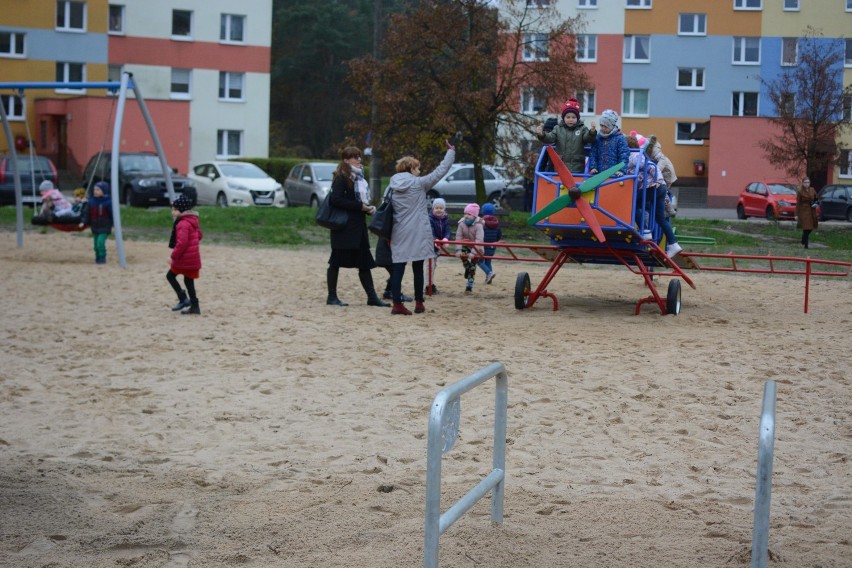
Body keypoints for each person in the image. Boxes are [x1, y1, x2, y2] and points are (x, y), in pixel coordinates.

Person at [387, 140, 456, 315]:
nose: (419, 171)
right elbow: (440, 171)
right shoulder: (419, 184)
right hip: (417, 231)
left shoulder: (391, 186)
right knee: (418, 267)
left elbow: (386, 209)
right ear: (411, 169)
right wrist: (450, 152)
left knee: (398, 268)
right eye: (417, 168)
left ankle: (397, 304)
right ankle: (419, 302)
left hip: (398, 231)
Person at [326, 146, 389, 308]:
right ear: (346, 160)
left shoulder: (359, 178)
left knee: (364, 262)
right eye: (354, 157)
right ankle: (332, 296)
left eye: (359, 157)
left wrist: (367, 208)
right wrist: (359, 206)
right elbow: (336, 200)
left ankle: (372, 297)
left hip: (358, 227)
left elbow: (357, 202)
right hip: (343, 228)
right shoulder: (341, 177)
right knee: (336, 261)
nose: (359, 160)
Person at [625, 135, 682, 257]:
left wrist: (657, 179)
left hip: (651, 187)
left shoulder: (633, 156)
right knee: (660, 218)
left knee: (633, 205)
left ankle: (645, 230)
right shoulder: (641, 154)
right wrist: (659, 181)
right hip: (660, 188)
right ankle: (673, 244)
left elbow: (651, 167)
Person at [534, 97, 596, 173]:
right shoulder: (558, 128)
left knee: (576, 184)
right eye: (568, 117)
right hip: (560, 168)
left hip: (577, 168)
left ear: (577, 118)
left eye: (573, 117)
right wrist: (542, 134)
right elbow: (550, 138)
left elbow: (587, 138)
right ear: (563, 118)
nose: (571, 119)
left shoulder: (582, 128)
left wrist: (592, 132)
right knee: (559, 184)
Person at [166, 194, 203, 314]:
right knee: (189, 281)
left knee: (170, 276)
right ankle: (195, 306)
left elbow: (181, 243)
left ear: (181, 210)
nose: (173, 211)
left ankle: (183, 298)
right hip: (193, 259)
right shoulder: (193, 221)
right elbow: (199, 236)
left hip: (184, 259)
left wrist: (173, 256)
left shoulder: (182, 224)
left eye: (175, 209)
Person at [79, 181, 114, 264]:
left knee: (100, 243)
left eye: (98, 190)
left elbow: (113, 214)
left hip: (105, 226)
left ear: (104, 191)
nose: (95, 191)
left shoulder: (108, 202)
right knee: (95, 245)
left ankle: (102, 257)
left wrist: (114, 224)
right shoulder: (91, 202)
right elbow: (87, 213)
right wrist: (83, 222)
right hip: (95, 226)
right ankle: (97, 257)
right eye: (94, 189)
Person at [587, 109, 630, 177]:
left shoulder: (619, 138)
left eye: (606, 126)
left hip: (614, 175)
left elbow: (624, 155)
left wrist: (621, 170)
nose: (603, 128)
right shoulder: (598, 137)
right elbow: (593, 153)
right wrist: (593, 167)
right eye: (601, 125)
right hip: (599, 174)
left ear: (612, 126)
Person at [644, 135, 678, 218]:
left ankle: (669, 210)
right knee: (661, 190)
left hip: (666, 173)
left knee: (663, 190)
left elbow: (662, 160)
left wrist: (656, 171)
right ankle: (663, 211)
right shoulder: (648, 148)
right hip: (662, 172)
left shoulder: (655, 149)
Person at [455, 202, 484, 293]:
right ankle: (466, 265)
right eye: (465, 214)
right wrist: (458, 250)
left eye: (469, 214)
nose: (466, 216)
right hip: (466, 246)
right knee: (462, 254)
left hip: (477, 248)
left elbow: (479, 240)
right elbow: (458, 237)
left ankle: (469, 285)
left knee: (473, 266)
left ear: (475, 216)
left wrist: (473, 252)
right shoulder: (461, 223)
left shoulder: (478, 225)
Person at [427, 197, 452, 295]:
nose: (439, 210)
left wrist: (446, 238)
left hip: (438, 244)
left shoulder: (446, 219)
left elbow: (448, 230)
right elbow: (430, 230)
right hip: (429, 244)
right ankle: (428, 286)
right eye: (436, 208)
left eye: (441, 208)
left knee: (433, 265)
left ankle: (430, 284)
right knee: (429, 265)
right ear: (433, 209)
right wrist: (435, 239)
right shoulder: (430, 219)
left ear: (444, 210)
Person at [477, 202, 502, 284]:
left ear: (483, 211)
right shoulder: (496, 222)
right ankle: (489, 279)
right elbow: (499, 234)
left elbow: (480, 234)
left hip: (484, 245)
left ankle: (489, 273)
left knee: (479, 261)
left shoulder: (482, 222)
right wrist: (495, 241)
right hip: (493, 246)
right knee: (488, 261)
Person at [795, 176, 819, 248]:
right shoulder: (800, 191)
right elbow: (798, 203)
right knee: (806, 227)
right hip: (804, 211)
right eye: (805, 182)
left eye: (808, 182)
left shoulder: (812, 189)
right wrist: (796, 214)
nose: (807, 184)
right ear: (802, 183)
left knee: (811, 227)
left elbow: (816, 198)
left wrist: (816, 203)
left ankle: (803, 240)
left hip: (812, 210)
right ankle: (806, 245)